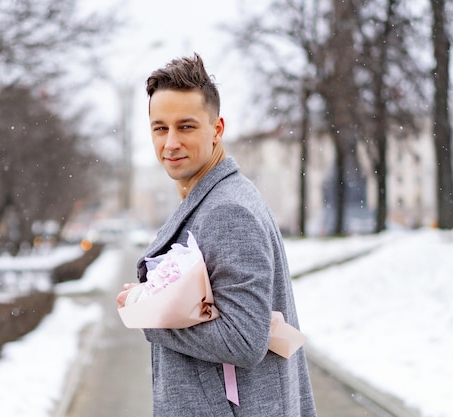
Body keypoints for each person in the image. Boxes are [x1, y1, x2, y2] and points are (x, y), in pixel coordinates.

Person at [116, 53, 317, 416]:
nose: (170, 143)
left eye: (186, 126)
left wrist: (149, 315)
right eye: (160, 128)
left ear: (217, 129)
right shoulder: (216, 198)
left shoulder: (228, 211)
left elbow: (244, 340)